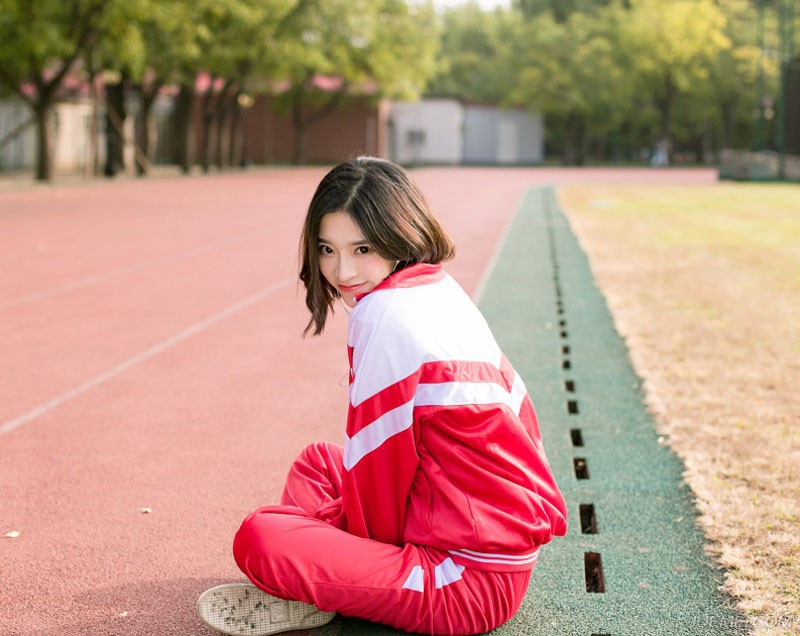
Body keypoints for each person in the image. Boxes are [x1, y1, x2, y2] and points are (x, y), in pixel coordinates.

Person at [197, 157, 568, 636]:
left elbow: (377, 492)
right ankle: (326, 579)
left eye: (363, 248)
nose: (342, 270)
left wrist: (322, 548)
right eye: (327, 249)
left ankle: (319, 590)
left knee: (259, 538)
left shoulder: (384, 316)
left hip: (464, 581)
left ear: (399, 236)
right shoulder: (436, 287)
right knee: (317, 463)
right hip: (477, 532)